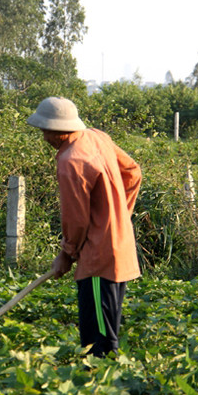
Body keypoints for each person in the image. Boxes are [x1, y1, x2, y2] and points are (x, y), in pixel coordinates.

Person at [27, 97, 142, 357]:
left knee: (98, 340)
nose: (44, 137)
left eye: (45, 130)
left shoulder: (71, 161)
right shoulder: (96, 137)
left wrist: (66, 255)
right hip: (117, 248)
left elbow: (76, 219)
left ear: (57, 130)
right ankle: (101, 385)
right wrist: (118, 216)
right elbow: (133, 173)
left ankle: (102, 388)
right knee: (103, 327)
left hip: (99, 258)